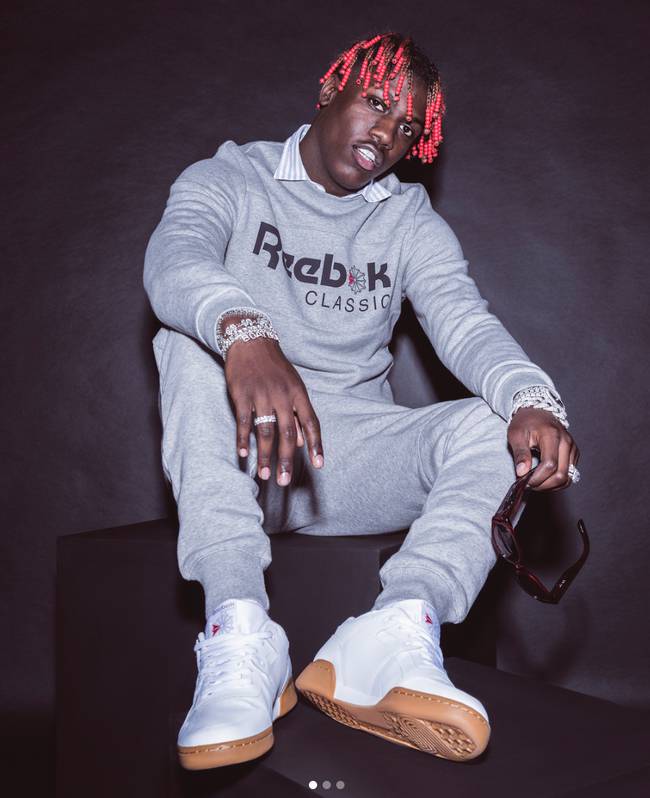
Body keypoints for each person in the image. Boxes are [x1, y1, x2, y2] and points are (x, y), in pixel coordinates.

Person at [143, 31, 581, 769]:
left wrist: (533, 400)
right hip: (242, 454)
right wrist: (245, 332)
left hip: (345, 466)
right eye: (376, 102)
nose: (386, 133)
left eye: (407, 126)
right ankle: (239, 632)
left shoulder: (407, 221)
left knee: (496, 422)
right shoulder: (231, 177)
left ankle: (399, 626)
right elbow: (174, 256)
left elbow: (464, 320)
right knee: (185, 342)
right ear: (328, 91)